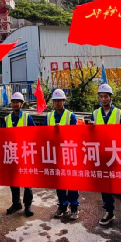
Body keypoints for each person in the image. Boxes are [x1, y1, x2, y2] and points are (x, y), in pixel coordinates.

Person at [90, 84, 121, 230]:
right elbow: (91, 137)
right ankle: (109, 212)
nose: (103, 99)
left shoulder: (119, 113)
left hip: (117, 156)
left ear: (110, 97)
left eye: (106, 96)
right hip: (102, 156)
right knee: (106, 186)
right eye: (101, 96)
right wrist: (91, 129)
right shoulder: (95, 114)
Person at [45, 89, 80, 221]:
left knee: (71, 182)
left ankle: (74, 207)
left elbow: (76, 134)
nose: (57, 103)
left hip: (69, 153)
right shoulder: (49, 117)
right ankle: (62, 205)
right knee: (59, 182)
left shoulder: (71, 116)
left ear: (64, 101)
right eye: (55, 101)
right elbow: (44, 134)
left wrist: (63, 130)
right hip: (56, 154)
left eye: (60, 100)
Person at [4, 92, 36, 217]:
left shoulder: (27, 118)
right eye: (13, 102)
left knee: (27, 181)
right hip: (12, 153)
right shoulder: (7, 119)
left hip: (25, 153)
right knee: (13, 180)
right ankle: (16, 203)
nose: (15, 104)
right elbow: (2, 136)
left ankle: (28, 205)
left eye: (17, 102)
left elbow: (34, 133)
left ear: (21, 104)